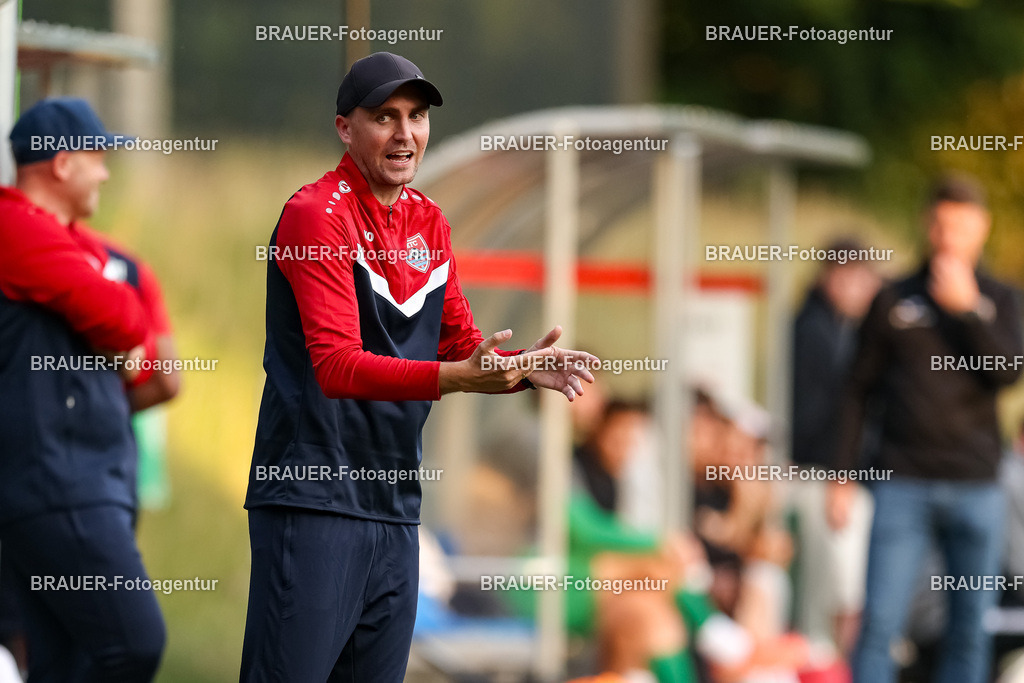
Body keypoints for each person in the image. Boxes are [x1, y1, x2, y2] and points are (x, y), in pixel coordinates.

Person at [240, 52, 597, 682]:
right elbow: (337, 367)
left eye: (417, 116)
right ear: (345, 129)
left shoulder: (429, 221)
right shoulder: (314, 217)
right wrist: (461, 376)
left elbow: (462, 343)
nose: (406, 133)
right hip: (316, 499)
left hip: (395, 507)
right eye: (385, 117)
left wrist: (519, 367)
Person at [0, 98, 179, 681]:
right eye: (97, 156)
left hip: (79, 481)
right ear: (60, 164)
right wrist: (121, 342)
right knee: (135, 642)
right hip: (58, 483)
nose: (105, 170)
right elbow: (127, 320)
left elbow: (156, 364)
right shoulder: (14, 224)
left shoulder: (82, 247)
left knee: (63, 661)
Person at [828, 174, 1023, 683]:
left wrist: (969, 312)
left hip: (976, 485)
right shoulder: (893, 298)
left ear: (981, 228)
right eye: (939, 223)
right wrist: (841, 476)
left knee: (968, 627)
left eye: (960, 225)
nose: (947, 236)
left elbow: (1006, 372)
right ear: (925, 225)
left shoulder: (1001, 299)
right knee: (881, 622)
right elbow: (856, 391)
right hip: (902, 483)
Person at [789, 238, 880, 653]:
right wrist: (838, 475)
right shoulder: (816, 332)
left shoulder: (835, 328)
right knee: (835, 599)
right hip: (824, 480)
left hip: (832, 478)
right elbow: (820, 416)